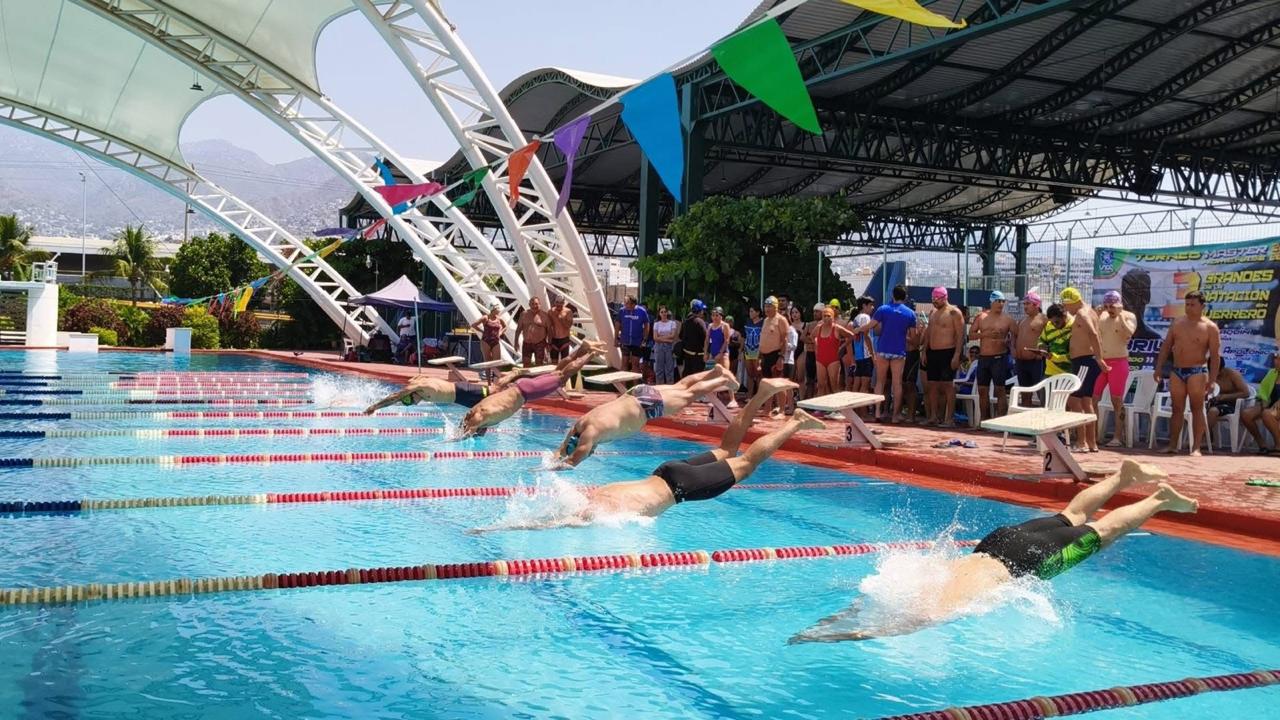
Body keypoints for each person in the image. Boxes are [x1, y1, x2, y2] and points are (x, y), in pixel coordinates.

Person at [790, 459, 1197, 642]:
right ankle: (1122, 475)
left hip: (1011, 555)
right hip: (1001, 541)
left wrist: (848, 633)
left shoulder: (928, 595)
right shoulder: (922, 574)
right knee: (1072, 514)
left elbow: (897, 619)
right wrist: (839, 622)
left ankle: (1159, 499)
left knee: (1103, 531)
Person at [478, 380, 822, 531]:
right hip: (664, 473)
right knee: (727, 450)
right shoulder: (597, 494)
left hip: (677, 485)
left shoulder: (600, 508)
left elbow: (554, 523)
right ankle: (761, 394)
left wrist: (508, 528)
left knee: (745, 464)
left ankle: (794, 422)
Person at [555, 365, 742, 467]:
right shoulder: (579, 424)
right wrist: (559, 453)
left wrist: (552, 468)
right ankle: (713, 372)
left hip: (646, 407)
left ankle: (722, 380)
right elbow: (564, 447)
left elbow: (574, 460)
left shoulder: (590, 433)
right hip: (636, 393)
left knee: (688, 395)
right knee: (680, 387)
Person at [365, 340, 603, 419]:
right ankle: (582, 348)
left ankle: (588, 351)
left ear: (411, 393)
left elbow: (395, 396)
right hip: (468, 394)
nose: (412, 403)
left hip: (470, 394)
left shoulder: (420, 387)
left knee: (559, 377)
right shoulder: (421, 387)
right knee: (556, 373)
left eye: (410, 401)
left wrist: (374, 407)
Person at [1154, 291, 1221, 456]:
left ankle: (1196, 447)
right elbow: (1166, 346)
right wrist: (1159, 368)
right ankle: (1172, 445)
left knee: (1196, 408)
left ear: (1202, 306)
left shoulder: (1210, 327)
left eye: (1193, 305)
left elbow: (1215, 356)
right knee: (1177, 409)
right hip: (1177, 370)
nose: (1189, 308)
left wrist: (1212, 380)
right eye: (1187, 304)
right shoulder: (1177, 323)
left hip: (1197, 370)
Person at [849, 285, 917, 423]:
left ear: (893, 295)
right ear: (905, 297)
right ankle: (895, 416)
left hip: (883, 349)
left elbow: (870, 326)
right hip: (899, 350)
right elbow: (913, 336)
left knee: (880, 382)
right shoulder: (910, 313)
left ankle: (878, 412)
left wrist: (857, 330)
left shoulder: (883, 309)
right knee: (897, 383)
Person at [1061, 287, 1106, 453]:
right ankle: (1091, 442)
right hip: (1087, 361)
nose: (1066, 310)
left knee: (1075, 400)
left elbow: (1094, 334)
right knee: (1086, 402)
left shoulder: (1082, 313)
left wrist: (1099, 357)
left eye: (1066, 306)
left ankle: (1082, 443)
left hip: (1085, 361)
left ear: (1073, 302)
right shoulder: (1091, 311)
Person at [1095, 290, 1137, 446]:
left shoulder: (1128, 316)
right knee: (1093, 398)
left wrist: (1119, 315)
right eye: (1106, 306)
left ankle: (1118, 437)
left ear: (1119, 305)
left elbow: (1130, 333)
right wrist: (1096, 312)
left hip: (1118, 363)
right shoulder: (1103, 316)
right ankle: (1094, 435)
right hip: (1102, 363)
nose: (1109, 309)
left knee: (1117, 400)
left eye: (1112, 306)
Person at [970, 291, 1017, 421]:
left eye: (1003, 301)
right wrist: (985, 335)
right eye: (998, 301)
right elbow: (971, 334)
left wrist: (1009, 344)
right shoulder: (981, 317)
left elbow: (1016, 335)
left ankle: (1001, 421)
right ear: (992, 302)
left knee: (1000, 390)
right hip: (984, 358)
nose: (1001, 304)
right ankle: (984, 420)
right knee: (982, 390)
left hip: (999, 357)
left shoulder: (1008, 319)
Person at [921, 287, 964, 427]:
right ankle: (933, 416)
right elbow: (929, 332)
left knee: (948, 386)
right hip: (933, 352)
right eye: (932, 299)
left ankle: (949, 419)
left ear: (944, 298)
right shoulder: (933, 312)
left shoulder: (954, 312)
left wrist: (957, 355)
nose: (934, 301)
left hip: (948, 352)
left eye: (936, 299)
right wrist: (924, 351)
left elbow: (960, 336)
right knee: (932, 385)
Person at [813, 306, 859, 397]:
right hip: (820, 360)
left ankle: (837, 409)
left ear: (833, 317)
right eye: (824, 316)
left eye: (828, 316)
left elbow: (852, 336)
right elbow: (812, 337)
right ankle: (821, 409)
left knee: (834, 386)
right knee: (821, 385)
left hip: (833, 360)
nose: (826, 318)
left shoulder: (837, 328)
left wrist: (842, 346)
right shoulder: (819, 328)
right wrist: (816, 344)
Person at [759, 296, 791, 417]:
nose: (766, 309)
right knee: (767, 384)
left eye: (769, 306)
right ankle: (767, 408)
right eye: (765, 306)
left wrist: (781, 357)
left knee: (778, 383)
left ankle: (782, 410)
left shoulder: (781, 320)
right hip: (765, 356)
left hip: (776, 354)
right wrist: (759, 356)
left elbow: (785, 339)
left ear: (775, 307)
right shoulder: (766, 320)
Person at [1241, 352, 1279, 454]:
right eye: (1276, 359)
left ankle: (1278, 445)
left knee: (1267, 414)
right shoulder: (1272, 373)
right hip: (1270, 404)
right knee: (1246, 414)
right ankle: (1262, 444)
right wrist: (1263, 401)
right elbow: (1263, 391)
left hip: (1276, 407)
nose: (1276, 361)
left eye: (1279, 359)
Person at [1013, 292, 1047, 393]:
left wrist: (1042, 352)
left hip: (1036, 362)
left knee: (1041, 392)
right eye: (1024, 304)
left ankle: (1043, 409)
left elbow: (1050, 337)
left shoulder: (1044, 319)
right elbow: (1015, 337)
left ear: (1036, 305)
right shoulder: (1022, 320)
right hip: (1021, 362)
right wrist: (1013, 349)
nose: (1025, 306)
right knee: (1024, 393)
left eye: (1027, 303)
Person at [1206, 364, 1250, 440]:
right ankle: (1208, 437)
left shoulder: (1233, 375)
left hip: (1230, 404)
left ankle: (1203, 438)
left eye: (1216, 371)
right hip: (1213, 402)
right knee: (1198, 410)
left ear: (1222, 369)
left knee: (1213, 411)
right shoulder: (1208, 375)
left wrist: (1224, 397)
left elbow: (1246, 393)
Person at [1035, 303, 1074, 377]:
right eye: (1052, 322)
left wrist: (1054, 357)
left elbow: (1074, 354)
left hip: (1068, 373)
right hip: (1050, 372)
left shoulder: (1074, 326)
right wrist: (1041, 346)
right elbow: (1041, 340)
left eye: (1057, 322)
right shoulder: (1049, 325)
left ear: (1064, 316)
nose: (1054, 325)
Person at [847, 296, 875, 395]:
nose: (873, 308)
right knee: (864, 386)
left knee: (857, 384)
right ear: (864, 306)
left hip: (859, 356)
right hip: (866, 355)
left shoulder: (856, 318)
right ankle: (861, 410)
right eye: (871, 305)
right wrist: (873, 354)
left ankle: (854, 409)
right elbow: (866, 335)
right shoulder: (865, 317)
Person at [615, 296, 650, 375]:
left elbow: (647, 325)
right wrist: (616, 338)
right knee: (624, 364)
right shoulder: (622, 311)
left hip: (637, 342)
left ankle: (636, 386)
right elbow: (617, 324)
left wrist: (644, 339)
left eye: (627, 303)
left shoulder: (642, 311)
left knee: (635, 365)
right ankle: (623, 386)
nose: (625, 305)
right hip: (625, 341)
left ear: (633, 304)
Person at [901, 313, 925, 423]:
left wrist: (902, 336)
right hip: (903, 355)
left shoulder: (917, 324)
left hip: (912, 355)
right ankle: (905, 412)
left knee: (910, 384)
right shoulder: (904, 323)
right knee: (903, 385)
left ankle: (911, 414)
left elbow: (916, 343)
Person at [514, 297, 551, 368]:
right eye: (532, 304)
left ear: (540, 304)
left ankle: (538, 379)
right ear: (529, 304)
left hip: (540, 343)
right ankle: (526, 378)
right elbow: (518, 329)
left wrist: (549, 343)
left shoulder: (545, 316)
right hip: (527, 344)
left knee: (539, 365)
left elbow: (549, 330)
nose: (534, 306)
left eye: (536, 304)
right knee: (526, 364)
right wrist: (516, 342)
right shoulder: (524, 314)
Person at [470, 304, 507, 370]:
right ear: (493, 310)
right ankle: (489, 380)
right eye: (497, 309)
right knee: (487, 363)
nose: (499, 310)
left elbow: (505, 327)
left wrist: (500, 332)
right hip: (485, 341)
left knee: (497, 362)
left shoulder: (499, 319)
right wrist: (481, 331)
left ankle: (495, 378)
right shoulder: (485, 318)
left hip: (495, 341)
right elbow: (474, 325)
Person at [679, 300, 708, 378]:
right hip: (698, 356)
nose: (703, 312)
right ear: (699, 310)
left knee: (687, 378)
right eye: (702, 310)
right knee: (698, 379)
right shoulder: (700, 322)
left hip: (687, 355)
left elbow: (680, 336)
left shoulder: (685, 321)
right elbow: (706, 338)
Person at [650, 306, 679, 385]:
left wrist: (661, 337)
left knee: (669, 368)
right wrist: (667, 339)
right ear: (659, 314)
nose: (663, 314)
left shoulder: (672, 323)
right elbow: (655, 338)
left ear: (667, 312)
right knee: (659, 369)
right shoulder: (656, 324)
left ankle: (669, 386)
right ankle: (660, 387)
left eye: (665, 312)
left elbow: (672, 335)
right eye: (662, 312)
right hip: (659, 347)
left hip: (669, 347)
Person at [802, 303, 824, 400]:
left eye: (817, 311)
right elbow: (802, 337)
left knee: (820, 380)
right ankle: (809, 400)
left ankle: (819, 400)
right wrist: (813, 340)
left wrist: (813, 340)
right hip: (810, 354)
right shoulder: (809, 324)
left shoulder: (825, 324)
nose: (815, 313)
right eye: (814, 311)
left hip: (821, 355)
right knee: (810, 380)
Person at [547, 296, 576, 363]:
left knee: (564, 362)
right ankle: (554, 373)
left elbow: (569, 326)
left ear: (563, 303)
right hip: (554, 340)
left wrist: (562, 320)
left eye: (561, 303)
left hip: (564, 340)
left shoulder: (568, 311)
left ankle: (563, 373)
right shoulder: (550, 312)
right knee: (553, 362)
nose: (559, 304)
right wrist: (549, 342)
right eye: (557, 302)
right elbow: (548, 327)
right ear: (554, 302)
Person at [743, 307, 764, 399]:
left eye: (752, 311)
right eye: (750, 311)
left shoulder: (763, 323)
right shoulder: (748, 322)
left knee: (759, 374)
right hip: (748, 350)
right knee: (750, 374)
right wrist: (742, 350)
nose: (750, 313)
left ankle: (759, 396)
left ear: (758, 312)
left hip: (758, 351)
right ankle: (749, 395)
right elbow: (744, 337)